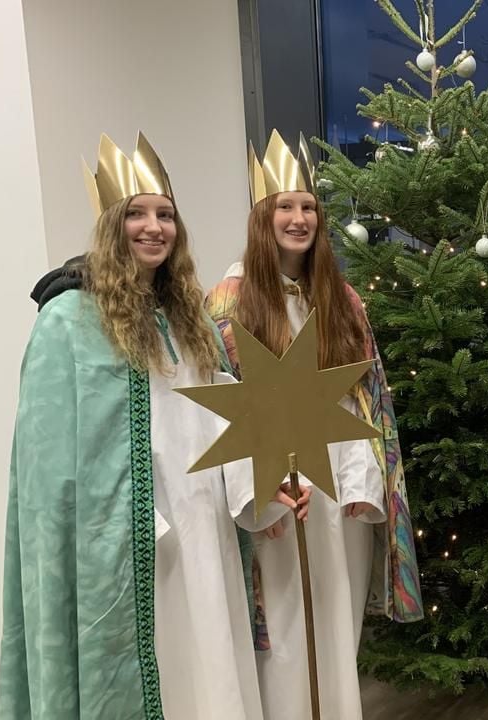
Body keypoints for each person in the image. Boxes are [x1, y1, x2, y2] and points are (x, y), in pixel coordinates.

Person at [0, 133, 309, 719]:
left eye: (165, 215)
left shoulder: (190, 321)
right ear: (110, 225)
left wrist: (264, 489)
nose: (153, 227)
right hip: (135, 549)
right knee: (158, 674)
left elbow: (224, 428)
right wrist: (120, 526)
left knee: (211, 671)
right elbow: (47, 474)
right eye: (136, 214)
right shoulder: (68, 321)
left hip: (207, 535)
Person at [205, 130, 424, 720]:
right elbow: (219, 408)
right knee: (284, 635)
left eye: (308, 207)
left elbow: (364, 401)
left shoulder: (341, 298)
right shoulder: (229, 301)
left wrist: (360, 485)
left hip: (337, 494)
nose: (298, 218)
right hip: (278, 499)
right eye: (285, 206)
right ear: (261, 216)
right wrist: (260, 497)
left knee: (335, 621)